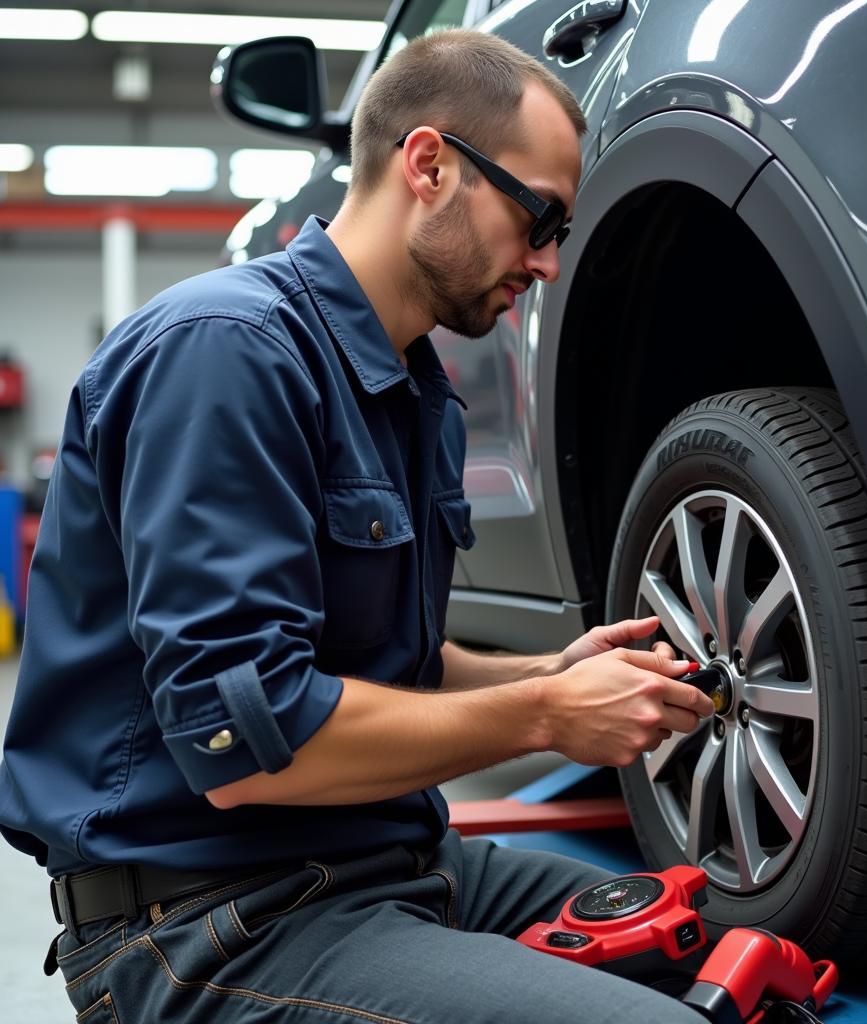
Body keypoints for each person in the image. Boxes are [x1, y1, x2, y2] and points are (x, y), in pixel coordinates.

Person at [0, 30, 715, 1023]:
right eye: (540, 217)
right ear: (429, 165)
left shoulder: (411, 388)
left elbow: (371, 664)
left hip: (391, 860)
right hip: (208, 915)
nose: (550, 262)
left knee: (730, 960)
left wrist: (548, 673)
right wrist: (548, 718)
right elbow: (247, 748)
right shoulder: (227, 356)